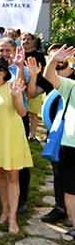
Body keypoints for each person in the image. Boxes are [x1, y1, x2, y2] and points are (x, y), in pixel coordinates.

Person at [0, 56, 33, 234]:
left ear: (5, 72)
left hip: (11, 138)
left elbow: (22, 112)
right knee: (0, 177)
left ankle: (13, 218)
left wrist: (18, 96)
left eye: (0, 68)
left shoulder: (12, 87)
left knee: (13, 178)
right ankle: (4, 212)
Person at [27, 45, 75, 224]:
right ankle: (62, 209)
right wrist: (50, 63)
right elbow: (36, 89)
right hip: (63, 136)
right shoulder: (64, 83)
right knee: (62, 177)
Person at [42, 45, 75, 239]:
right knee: (70, 189)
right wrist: (54, 60)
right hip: (70, 145)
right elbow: (49, 76)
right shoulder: (70, 86)